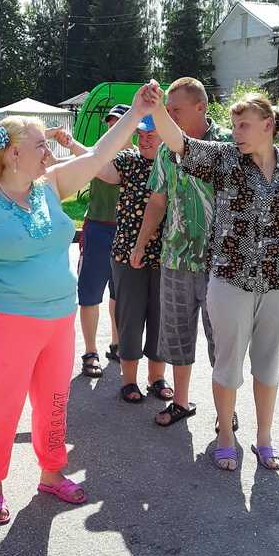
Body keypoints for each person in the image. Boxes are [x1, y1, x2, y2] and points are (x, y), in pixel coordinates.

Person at [0, 89, 152, 524]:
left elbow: (100, 155)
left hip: (59, 318)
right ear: (13, 154)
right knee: (2, 405)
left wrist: (137, 111)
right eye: (41, 145)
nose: (49, 151)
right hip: (7, 319)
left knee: (55, 401)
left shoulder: (51, 186)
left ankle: (51, 472)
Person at [147, 85, 279, 471]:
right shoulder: (226, 159)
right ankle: (226, 436)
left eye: (244, 125)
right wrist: (158, 108)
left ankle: (264, 439)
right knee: (228, 364)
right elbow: (180, 144)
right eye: (233, 126)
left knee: (268, 365)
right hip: (230, 279)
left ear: (268, 125)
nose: (236, 133)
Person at [131, 77, 237, 429]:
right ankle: (180, 402)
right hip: (175, 258)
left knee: (222, 341)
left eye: (175, 110)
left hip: (221, 262)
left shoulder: (229, 145)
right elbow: (157, 201)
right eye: (167, 109)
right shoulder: (166, 150)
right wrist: (141, 243)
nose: (169, 116)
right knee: (177, 335)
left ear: (200, 107)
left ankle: (227, 410)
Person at [49, 104, 134, 378]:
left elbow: (91, 160)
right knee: (89, 294)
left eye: (118, 123)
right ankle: (90, 351)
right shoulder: (96, 154)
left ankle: (117, 345)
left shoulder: (137, 157)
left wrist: (71, 144)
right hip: (97, 229)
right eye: (110, 124)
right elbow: (81, 162)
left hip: (126, 232)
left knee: (119, 294)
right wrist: (56, 156)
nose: (113, 128)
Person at [96, 115, 174, 404]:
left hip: (165, 256)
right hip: (129, 254)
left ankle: (157, 378)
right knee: (129, 318)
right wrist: (73, 146)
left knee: (160, 319)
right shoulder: (129, 161)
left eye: (150, 135)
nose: (144, 140)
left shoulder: (174, 164)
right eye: (140, 135)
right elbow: (99, 168)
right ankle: (129, 380)